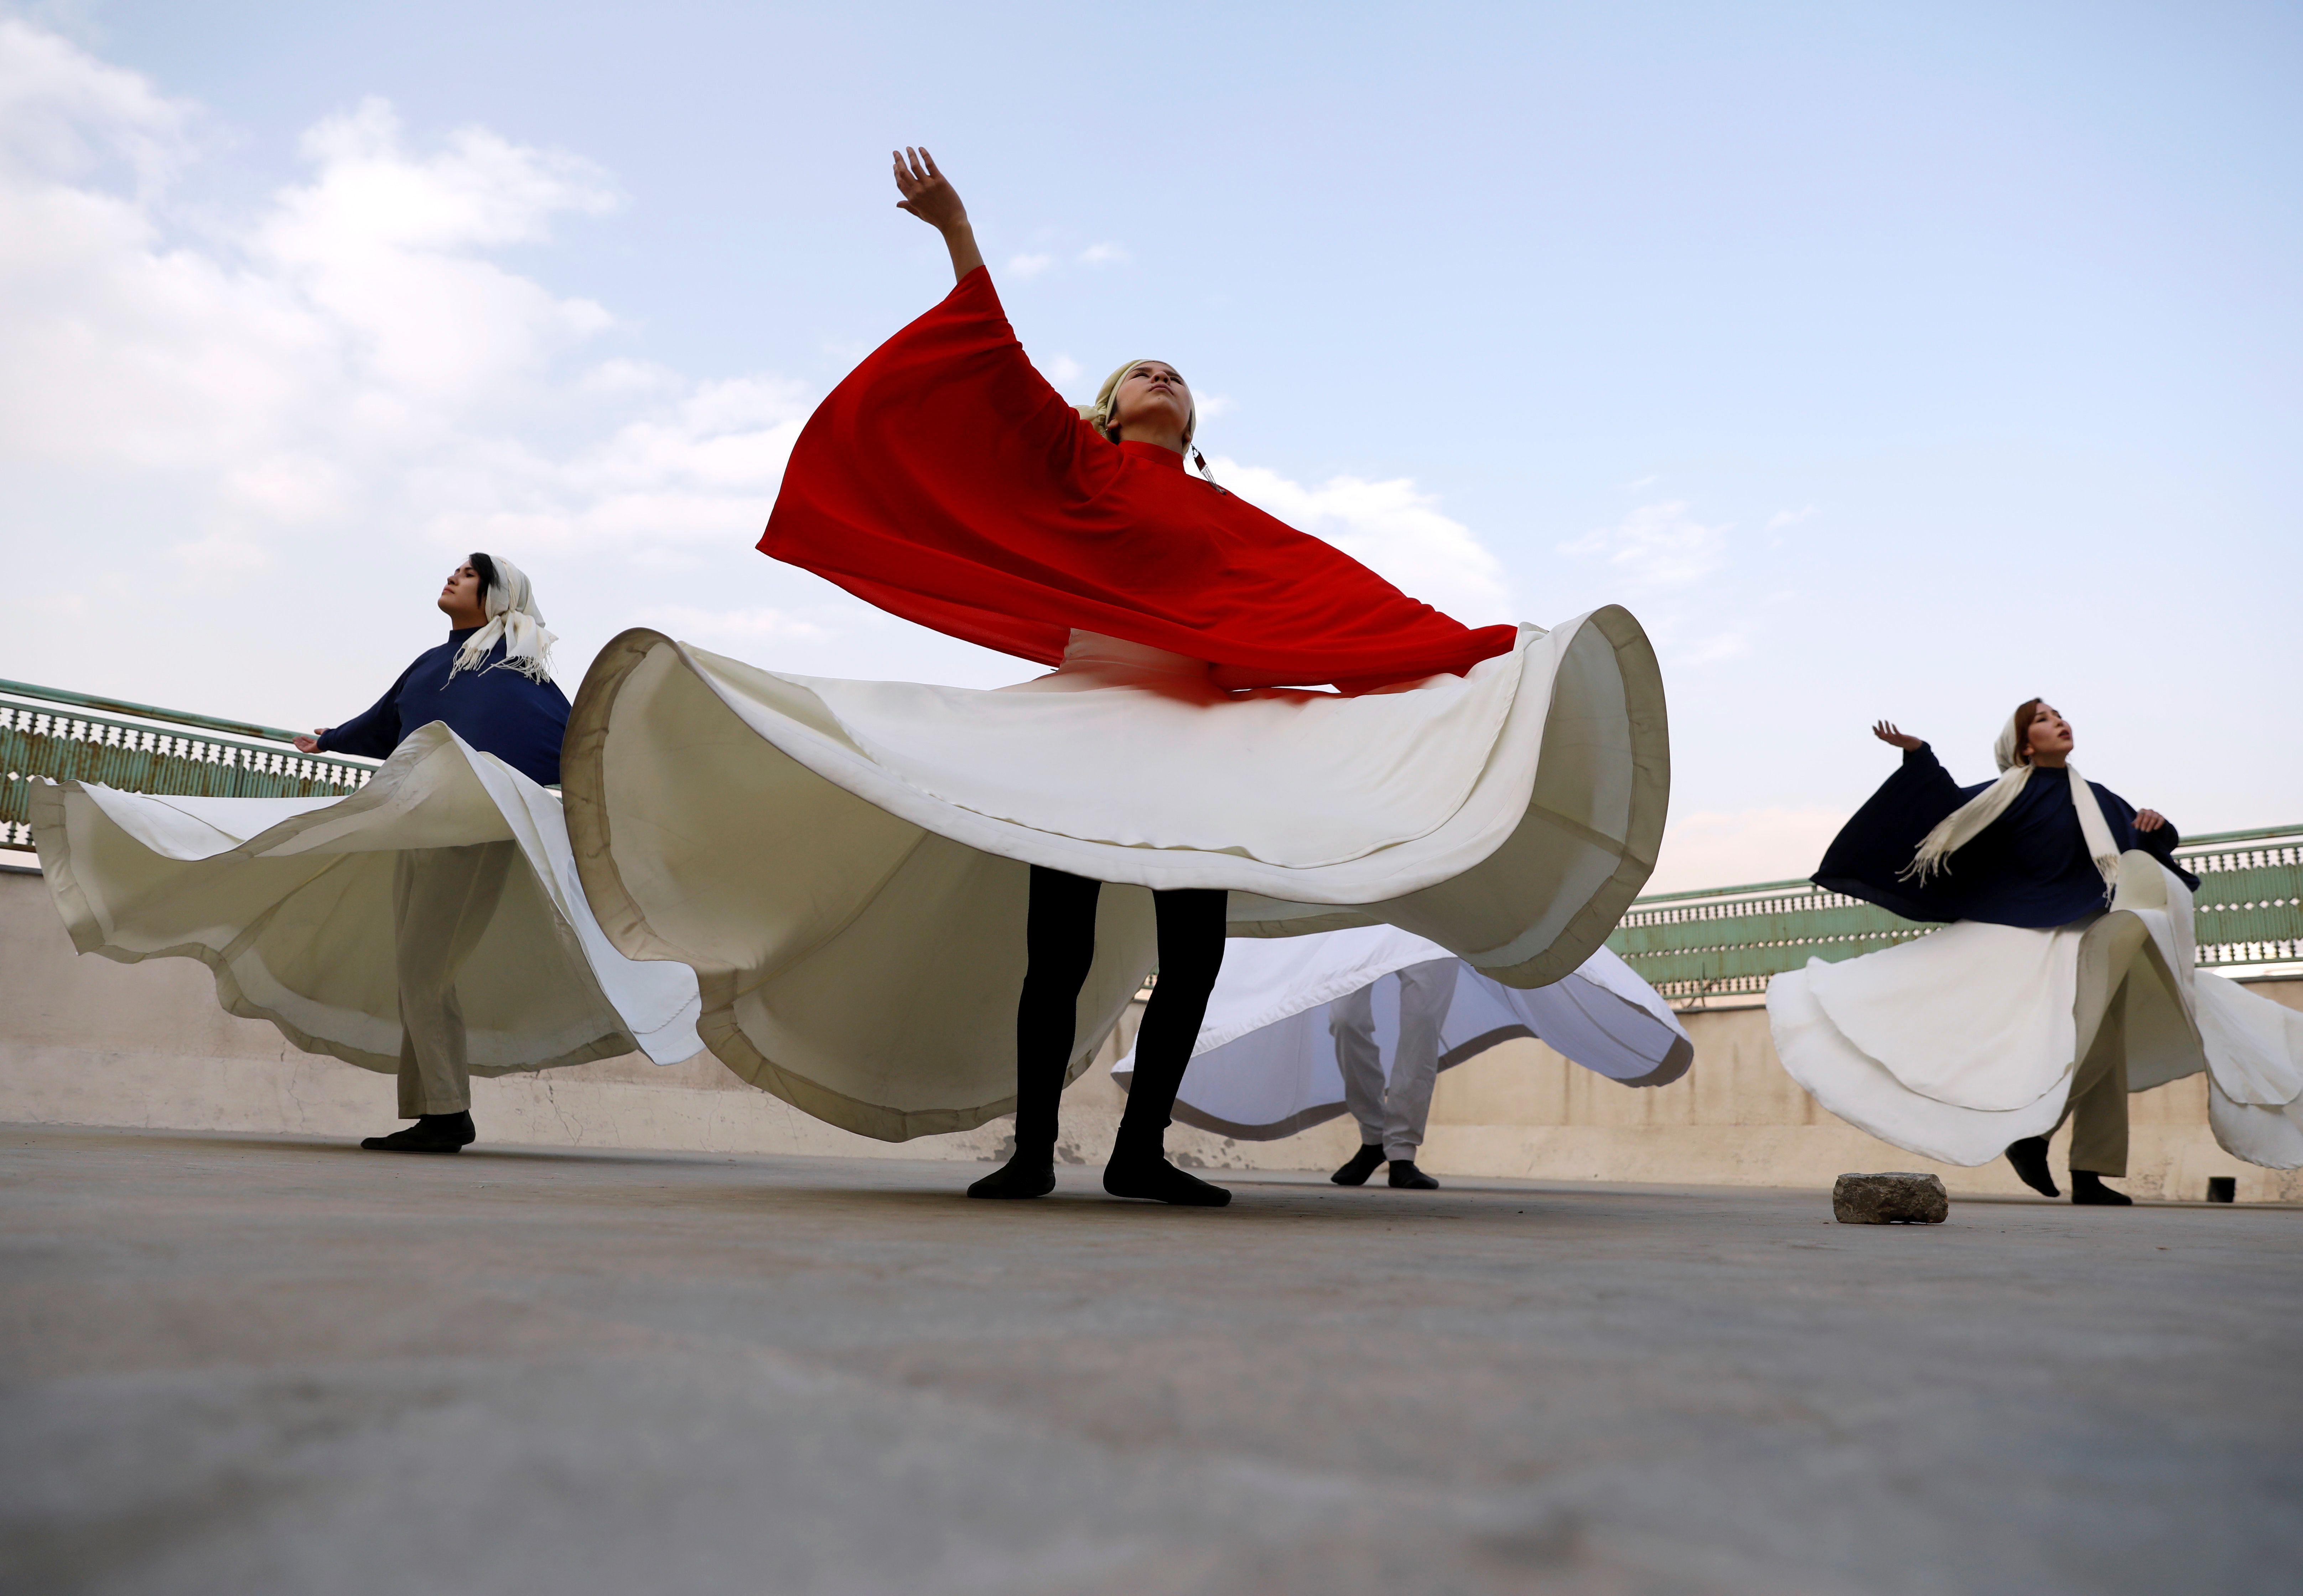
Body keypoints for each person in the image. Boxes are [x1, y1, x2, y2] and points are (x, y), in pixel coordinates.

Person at [559, 149, 1671, 1208]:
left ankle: (1141, 1153)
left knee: (1194, 951)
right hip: (1083, 730)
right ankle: (1033, 1151)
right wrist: (956, 231)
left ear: (1194, 425)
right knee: (1060, 950)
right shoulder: (1077, 464)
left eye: (1177, 376)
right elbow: (994, 367)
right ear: (1109, 407)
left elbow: (1346, 600)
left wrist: (1483, 650)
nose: (1163, 378)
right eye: (1143, 371)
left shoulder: (1231, 516)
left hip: (1200, 736)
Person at [33, 556, 701, 1155]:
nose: (454, 576)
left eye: (470, 574)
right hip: (418, 826)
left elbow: (570, 738)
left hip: (473, 828)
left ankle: (446, 1115)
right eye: (457, 570)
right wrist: (333, 739)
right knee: (416, 967)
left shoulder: (513, 665)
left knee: (424, 968)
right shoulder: (434, 661)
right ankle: (440, 1112)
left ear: (498, 596)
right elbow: (391, 720)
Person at [1767, 700, 2303, 1201]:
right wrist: (1918, 755)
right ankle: (2041, 1144)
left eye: (2059, 715)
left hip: (2095, 931)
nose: (2058, 723)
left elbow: (2136, 853)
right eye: (2043, 720)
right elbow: (1943, 810)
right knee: (2088, 1045)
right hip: (2026, 930)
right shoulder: (2005, 795)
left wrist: (2155, 828)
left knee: (2104, 1044)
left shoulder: (2098, 798)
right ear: (2025, 745)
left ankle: (2085, 1169)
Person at [1111, 926, 1692, 1186]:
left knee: (1420, 1030)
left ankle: (1402, 1152)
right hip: (1366, 907)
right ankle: (1372, 1137)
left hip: (1436, 913)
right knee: (1344, 1018)